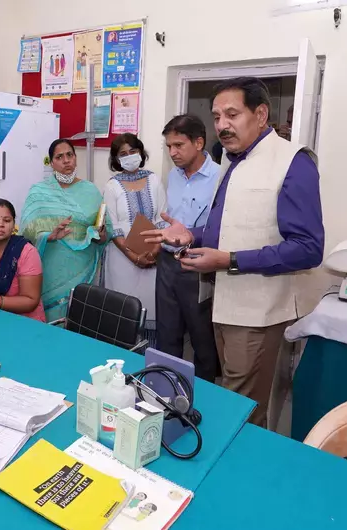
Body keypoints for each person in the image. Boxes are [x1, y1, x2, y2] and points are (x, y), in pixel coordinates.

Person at [144, 77, 324, 427]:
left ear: (260, 114)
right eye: (216, 117)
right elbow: (227, 228)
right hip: (223, 302)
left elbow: (308, 249)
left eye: (232, 114)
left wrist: (230, 260)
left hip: (257, 313)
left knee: (241, 408)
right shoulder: (233, 160)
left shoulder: (293, 162)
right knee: (233, 394)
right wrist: (191, 235)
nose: (222, 125)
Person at [155, 115, 220, 383]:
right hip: (167, 263)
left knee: (203, 339)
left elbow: (221, 227)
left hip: (198, 265)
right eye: (169, 146)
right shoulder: (174, 175)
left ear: (199, 143)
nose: (172, 152)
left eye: (179, 145)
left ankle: (203, 395)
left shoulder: (220, 177)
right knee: (166, 335)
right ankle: (167, 390)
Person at [20, 139, 111, 322]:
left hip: (81, 266)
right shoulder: (39, 192)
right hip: (51, 265)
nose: (66, 160)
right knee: (51, 320)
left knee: (79, 318)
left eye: (70, 155)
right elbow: (26, 232)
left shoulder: (90, 190)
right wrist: (48, 236)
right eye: (59, 157)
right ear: (51, 163)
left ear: (75, 158)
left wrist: (101, 236)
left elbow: (105, 229)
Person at [103, 133, 166, 345]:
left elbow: (162, 218)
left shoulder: (154, 179)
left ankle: (149, 356)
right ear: (116, 159)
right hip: (122, 259)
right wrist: (133, 256)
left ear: (140, 152)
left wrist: (154, 251)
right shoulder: (112, 186)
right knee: (124, 313)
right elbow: (112, 226)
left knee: (151, 310)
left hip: (153, 256)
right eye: (123, 154)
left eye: (133, 151)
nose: (129, 156)